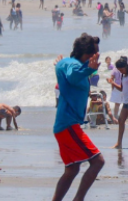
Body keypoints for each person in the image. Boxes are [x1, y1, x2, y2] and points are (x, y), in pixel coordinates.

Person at [52, 34, 105, 201]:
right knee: (98, 162)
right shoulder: (74, 65)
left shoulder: (72, 64)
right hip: (68, 125)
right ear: (88, 53)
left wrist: (87, 69)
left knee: (72, 169)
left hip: (66, 124)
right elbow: (73, 75)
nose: (98, 55)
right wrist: (89, 68)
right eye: (96, 52)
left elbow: (69, 72)